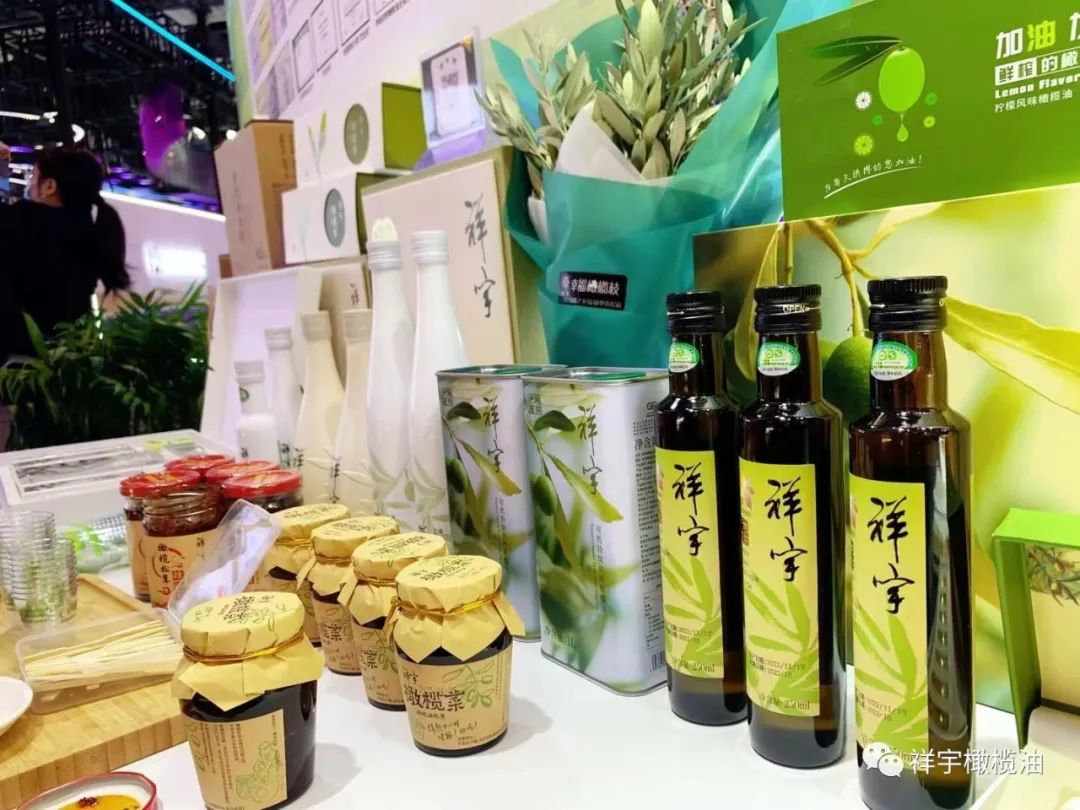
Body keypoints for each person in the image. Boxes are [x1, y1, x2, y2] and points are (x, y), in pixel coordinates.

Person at [0, 143, 131, 363]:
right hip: (66, 361)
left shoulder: (24, 222)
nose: (30, 184)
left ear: (49, 186)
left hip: (14, 365)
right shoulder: (91, 232)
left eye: (34, 176)